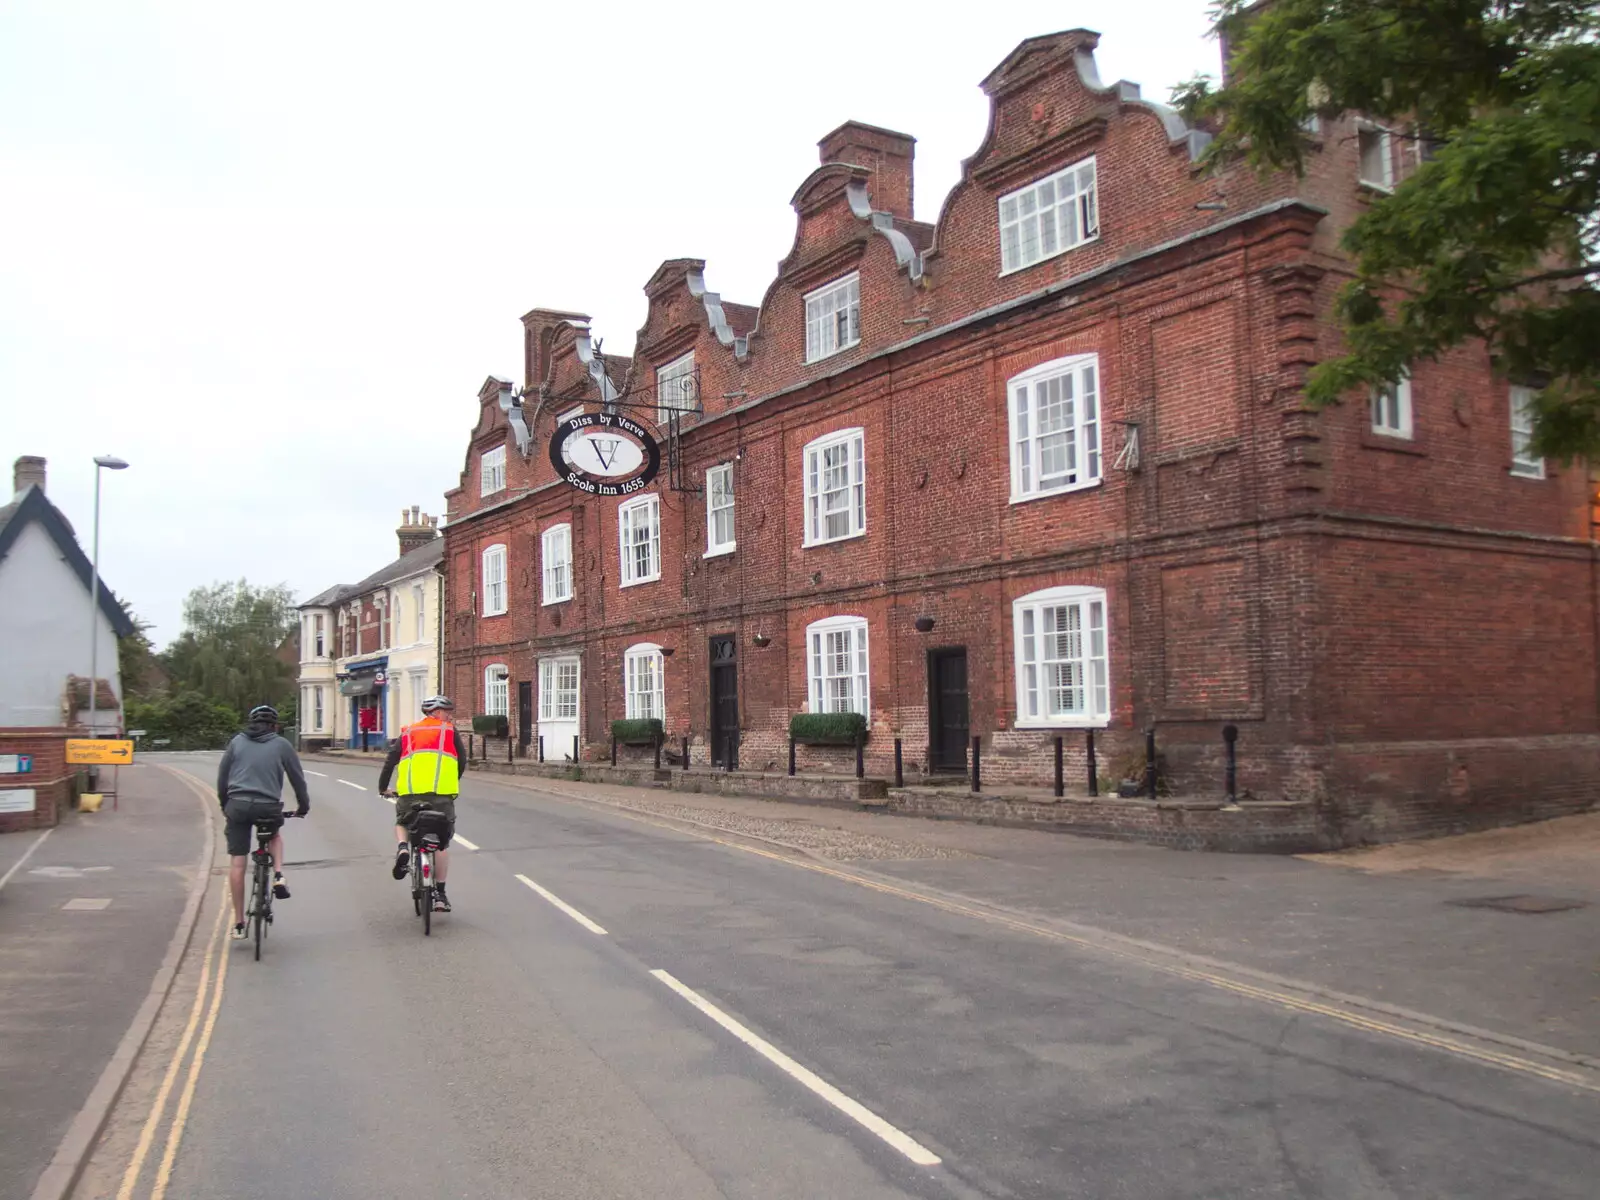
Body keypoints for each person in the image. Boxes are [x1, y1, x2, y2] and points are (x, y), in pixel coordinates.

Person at [216, 704, 310, 940]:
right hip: (267, 806)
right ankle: (278, 874)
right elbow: (297, 779)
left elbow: (222, 777)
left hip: (237, 805)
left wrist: (224, 804)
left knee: (237, 863)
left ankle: (239, 922)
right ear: (275, 726)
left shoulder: (236, 741)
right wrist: (303, 806)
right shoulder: (282, 744)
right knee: (275, 836)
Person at [378, 695, 465, 912]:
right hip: (441, 796)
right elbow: (461, 761)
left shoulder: (408, 731)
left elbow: (391, 760)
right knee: (442, 843)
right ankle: (440, 896)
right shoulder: (449, 731)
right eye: (446, 711)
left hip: (409, 795)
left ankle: (401, 849)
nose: (449, 715)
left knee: (403, 822)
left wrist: (383, 787)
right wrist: (452, 781)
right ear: (435, 712)